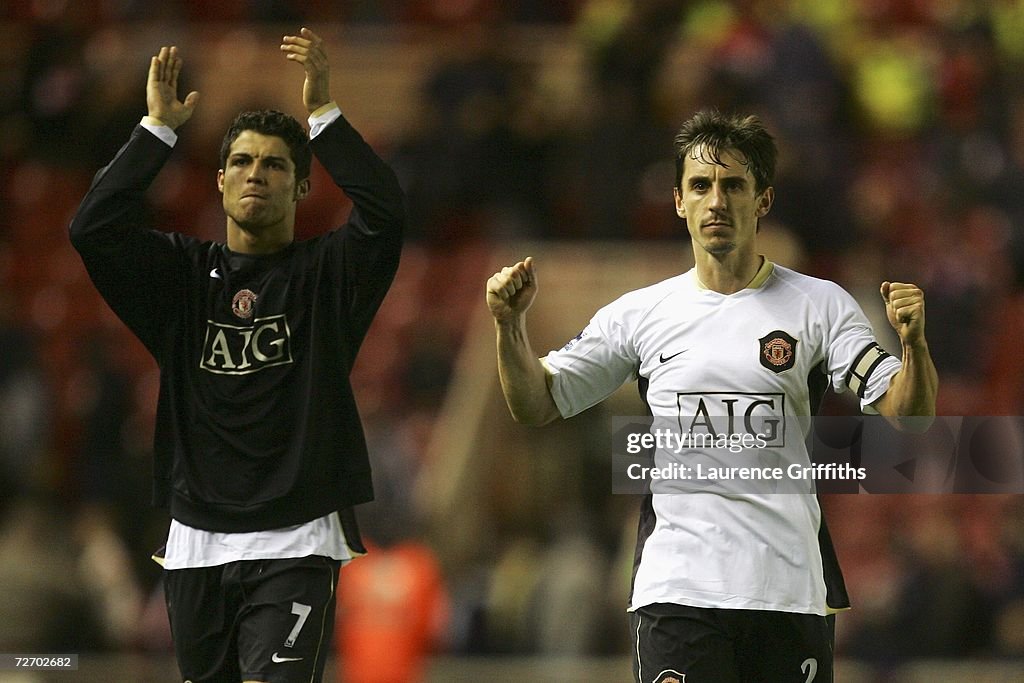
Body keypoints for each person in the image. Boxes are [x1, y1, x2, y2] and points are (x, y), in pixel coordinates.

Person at [485, 110, 938, 682]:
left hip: (788, 590)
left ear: (763, 201)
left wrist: (914, 345)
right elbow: (536, 403)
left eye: (734, 185)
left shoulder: (820, 306)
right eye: (701, 186)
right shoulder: (640, 315)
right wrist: (509, 327)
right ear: (679, 200)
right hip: (678, 587)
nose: (716, 201)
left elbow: (912, 417)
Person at [69, 28, 405, 683]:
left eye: (276, 164)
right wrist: (157, 132)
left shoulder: (326, 277)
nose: (258, 174)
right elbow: (92, 229)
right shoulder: (180, 279)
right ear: (219, 181)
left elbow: (385, 215)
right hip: (197, 537)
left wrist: (325, 117)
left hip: (297, 538)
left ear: (302, 187)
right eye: (244, 162)